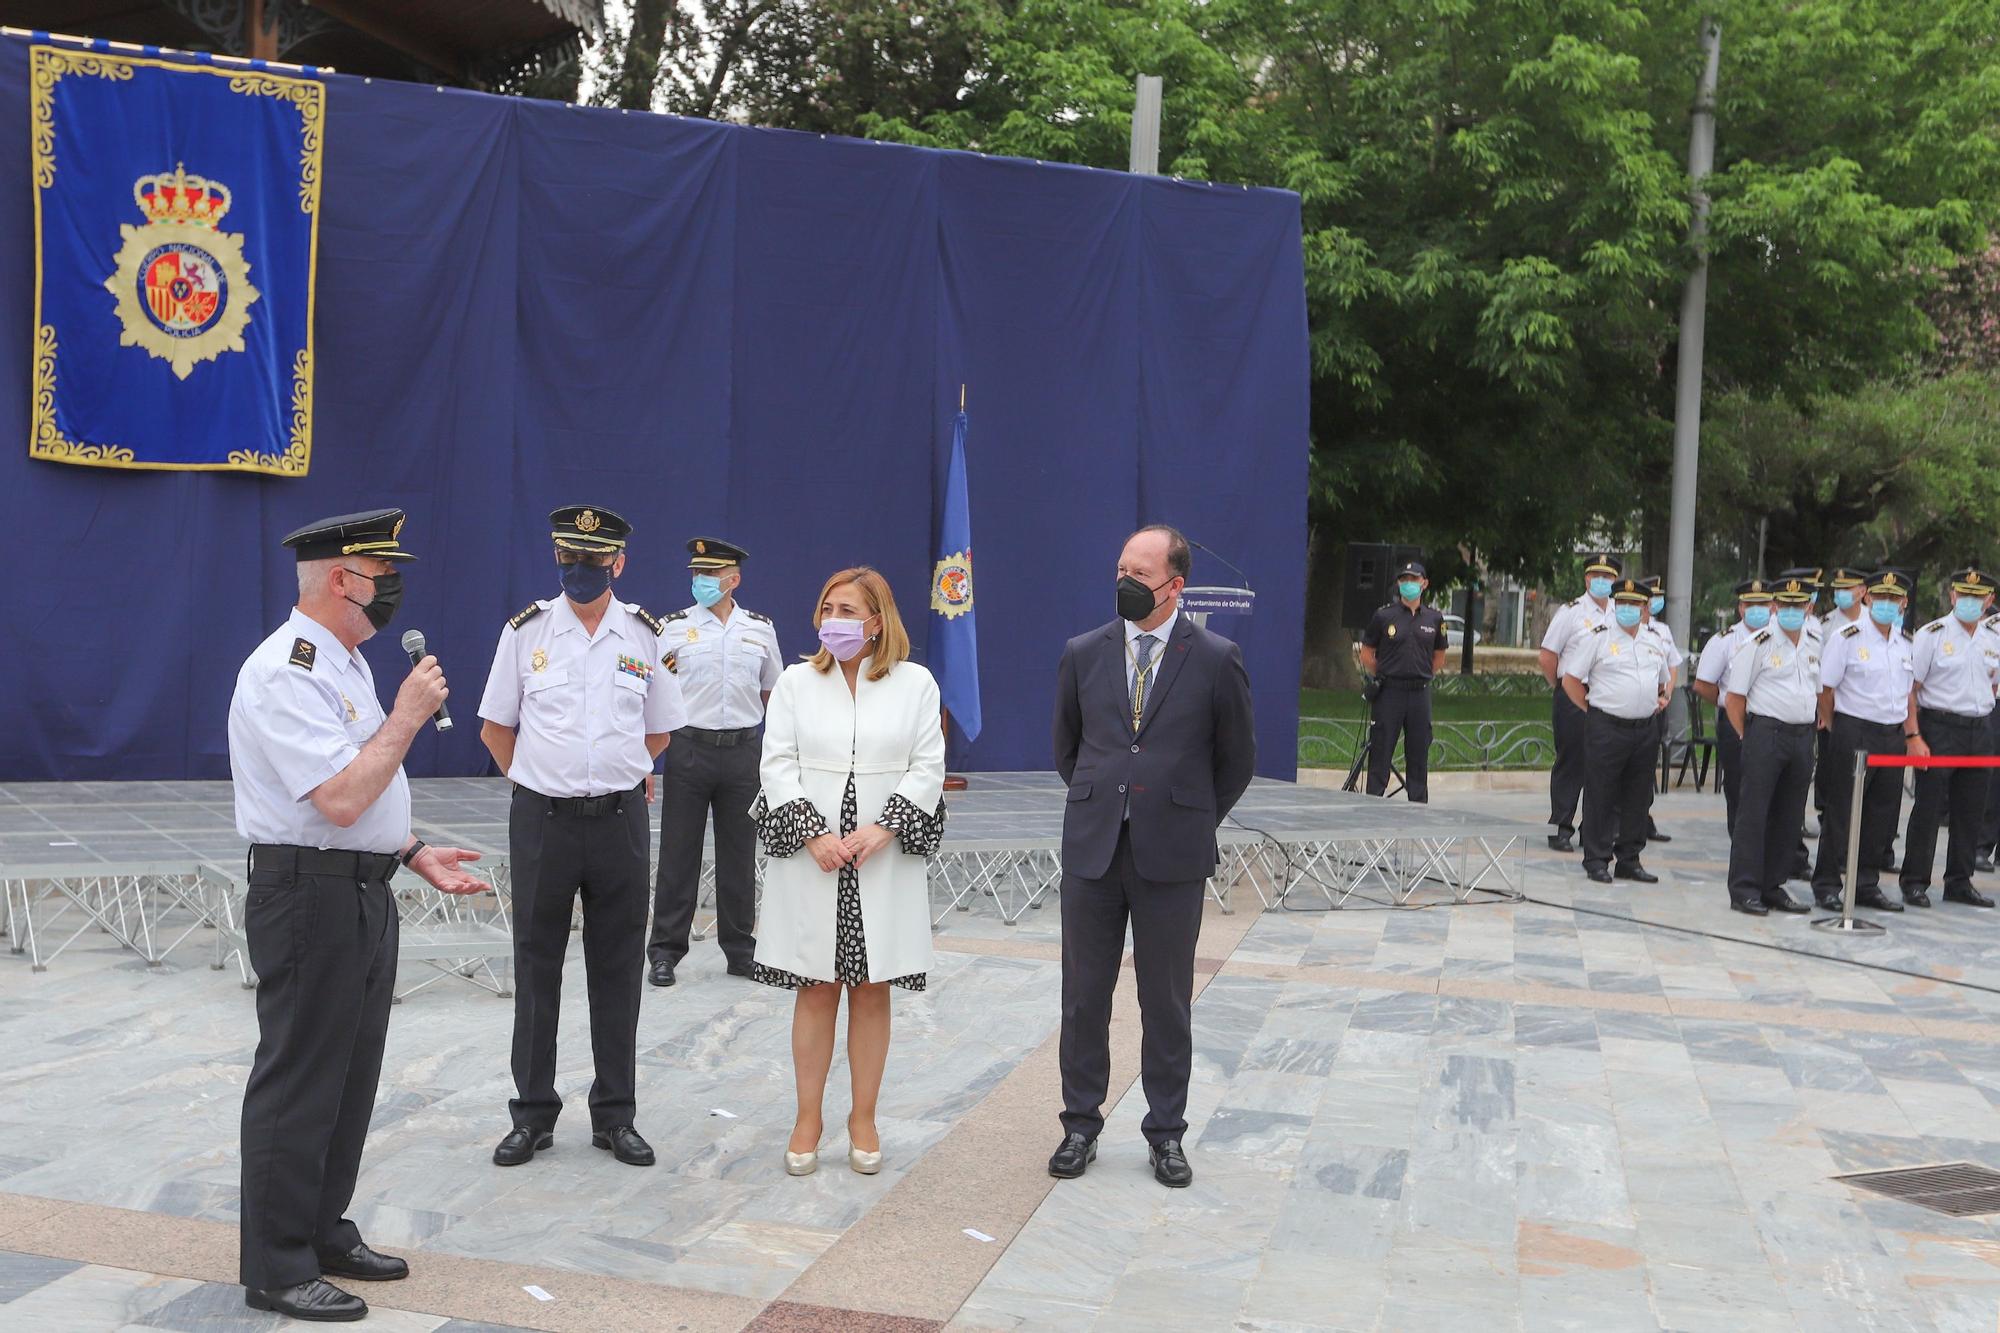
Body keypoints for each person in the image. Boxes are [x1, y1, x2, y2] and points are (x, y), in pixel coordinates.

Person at [229, 508, 487, 1322]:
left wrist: (412, 850)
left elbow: (360, 787)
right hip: (306, 894)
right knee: (301, 1076)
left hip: (362, 887)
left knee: (349, 1076)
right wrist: (408, 715)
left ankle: (320, 1227)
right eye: (383, 574)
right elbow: (338, 798)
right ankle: (275, 1263)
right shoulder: (285, 669)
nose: (393, 590)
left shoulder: (343, 663)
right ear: (341, 578)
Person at [477, 506, 687, 1169]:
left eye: (593, 562)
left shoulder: (644, 634)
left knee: (618, 967)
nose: (579, 571)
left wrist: (614, 773)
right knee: (536, 963)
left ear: (617, 564)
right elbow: (495, 726)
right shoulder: (526, 632)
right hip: (542, 819)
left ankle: (615, 1114)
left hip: (620, 820)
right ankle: (532, 1113)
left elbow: (659, 731)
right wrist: (539, 779)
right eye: (568, 558)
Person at [1049, 525, 1256, 1189]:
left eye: (1140, 572)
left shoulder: (1217, 657)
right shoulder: (1084, 652)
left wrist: (1188, 814)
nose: (1126, 582)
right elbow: (1068, 747)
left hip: (1173, 854)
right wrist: (1104, 801)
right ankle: (1080, 1123)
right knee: (1083, 995)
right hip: (1094, 848)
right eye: (1120, 568)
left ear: (1175, 585)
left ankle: (1166, 1132)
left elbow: (1237, 760)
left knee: (1166, 999)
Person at [749, 567, 946, 1177]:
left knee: (871, 985)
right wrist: (813, 831)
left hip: (880, 854)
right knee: (815, 985)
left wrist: (881, 828)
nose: (834, 619)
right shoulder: (795, 683)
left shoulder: (915, 684)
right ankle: (808, 1117)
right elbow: (776, 762)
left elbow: (927, 766)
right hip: (816, 854)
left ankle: (864, 1116)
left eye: (848, 610)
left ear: (877, 621)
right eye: (827, 607)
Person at [646, 537, 783, 987]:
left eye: (709, 575)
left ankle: (741, 949)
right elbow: (653, 695)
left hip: (743, 751)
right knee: (678, 854)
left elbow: (773, 692)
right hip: (688, 748)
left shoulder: (759, 628)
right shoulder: (672, 627)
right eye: (695, 574)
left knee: (740, 854)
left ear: (733, 579)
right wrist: (646, 758)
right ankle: (665, 951)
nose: (700, 581)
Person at [1810, 569, 1914, 913]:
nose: (1886, 604)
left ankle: (1866, 883)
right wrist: (1838, 725)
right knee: (1842, 811)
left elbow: (1908, 692)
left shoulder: (1903, 643)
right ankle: (1827, 882)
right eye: (1880, 597)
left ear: (1903, 603)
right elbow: (1826, 688)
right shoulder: (1847, 636)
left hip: (1891, 735)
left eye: (1893, 599)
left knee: (1881, 814)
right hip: (1855, 730)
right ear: (1868, 598)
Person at [1898, 567, 1999, 910]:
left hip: (1980, 728)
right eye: (1963, 595)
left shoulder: (1993, 637)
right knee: (1928, 809)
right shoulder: (1932, 634)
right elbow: (1910, 690)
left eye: (1977, 597)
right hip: (1939, 727)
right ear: (1953, 596)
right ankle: (1914, 881)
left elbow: (1992, 683)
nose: (1969, 602)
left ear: (1989, 600)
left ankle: (1959, 880)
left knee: (1971, 811)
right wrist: (1913, 734)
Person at [1562, 578, 1671, 884]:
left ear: (1644, 608)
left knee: (1638, 796)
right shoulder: (1598, 637)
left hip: (1644, 728)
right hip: (1607, 726)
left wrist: (1660, 698)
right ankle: (1596, 858)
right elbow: (1571, 679)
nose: (1627, 609)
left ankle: (1630, 858)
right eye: (1621, 603)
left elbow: (1663, 680)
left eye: (1634, 604)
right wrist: (1589, 707)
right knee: (1601, 794)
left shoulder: (1654, 641)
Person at [1721, 577, 1820, 916]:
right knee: (1754, 813)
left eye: (1799, 605)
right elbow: (1734, 698)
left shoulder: (1814, 642)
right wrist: (1750, 737)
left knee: (1790, 815)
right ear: (1776, 606)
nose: (1793, 611)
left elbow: (1818, 690)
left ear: (1809, 606)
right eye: (1786, 605)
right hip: (1766, 733)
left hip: (1802, 736)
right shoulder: (1758, 642)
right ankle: (1745, 888)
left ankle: (1773, 885)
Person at [1539, 553, 1622, 851]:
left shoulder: (1620, 613)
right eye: (1595, 575)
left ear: (1615, 581)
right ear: (1586, 579)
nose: (1602, 581)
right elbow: (1548, 656)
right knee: (1571, 761)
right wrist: (1562, 686)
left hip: (1608, 695)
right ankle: (1560, 825)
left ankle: (1596, 829)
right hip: (1574, 694)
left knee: (1605, 764)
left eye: (1608, 576)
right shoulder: (1571, 612)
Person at [1357, 559, 1448, 802]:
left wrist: (1419, 672)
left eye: (1414, 579)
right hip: (1390, 692)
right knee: (1381, 747)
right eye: (1404, 579)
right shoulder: (1384, 616)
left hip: (1419, 692)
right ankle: (1374, 801)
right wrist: (1388, 671)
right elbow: (1367, 653)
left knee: (1419, 750)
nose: (1409, 584)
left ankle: (1417, 804)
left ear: (1424, 583)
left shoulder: (1434, 619)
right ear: (1398, 584)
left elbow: (1439, 657)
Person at [1693, 579, 1774, 836]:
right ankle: (1740, 844)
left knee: (1774, 787)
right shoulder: (1724, 641)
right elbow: (1703, 684)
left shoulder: (1780, 638)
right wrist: (1728, 702)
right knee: (1739, 786)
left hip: (1773, 721)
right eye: (1751, 605)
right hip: (1736, 721)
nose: (1758, 609)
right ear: (1741, 608)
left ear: (1772, 606)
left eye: (1763, 604)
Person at [1640, 575, 1682, 844]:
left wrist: (1666, 694)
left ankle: (1644, 819)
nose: (1654, 603)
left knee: (1646, 767)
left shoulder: (1662, 631)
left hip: (1656, 706)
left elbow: (1672, 665)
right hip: (1629, 710)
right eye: (1649, 598)